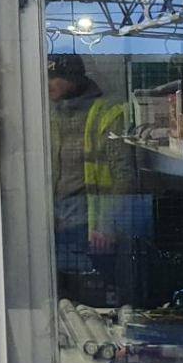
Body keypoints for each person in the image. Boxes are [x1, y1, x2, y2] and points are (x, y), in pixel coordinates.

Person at [47, 52, 134, 299]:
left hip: (91, 228)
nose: (48, 84)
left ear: (73, 78)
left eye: (54, 77)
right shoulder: (51, 114)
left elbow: (123, 175)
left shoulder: (108, 113)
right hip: (55, 222)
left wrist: (107, 224)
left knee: (90, 298)